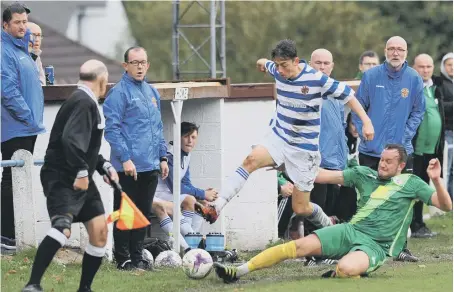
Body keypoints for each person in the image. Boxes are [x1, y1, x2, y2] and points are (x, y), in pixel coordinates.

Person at [196, 39, 374, 232]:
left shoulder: (317, 79)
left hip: (304, 149)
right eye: (278, 65)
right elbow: (265, 63)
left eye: (284, 66)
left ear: (296, 61)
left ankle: (329, 225)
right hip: (279, 137)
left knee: (301, 207)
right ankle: (217, 206)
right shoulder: (277, 69)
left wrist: (367, 122)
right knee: (250, 160)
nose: (280, 71)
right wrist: (262, 63)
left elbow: (349, 96)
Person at [213, 144, 452, 283]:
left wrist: (436, 181)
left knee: (346, 269)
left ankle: (343, 271)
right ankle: (239, 271)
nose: (382, 164)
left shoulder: (411, 183)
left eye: (389, 162)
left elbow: (446, 206)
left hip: (376, 246)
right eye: (381, 159)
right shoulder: (362, 174)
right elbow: (321, 175)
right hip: (350, 230)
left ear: (401, 166)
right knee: (298, 247)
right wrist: (287, 165)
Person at [22, 60, 118, 292]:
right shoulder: (83, 102)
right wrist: (82, 172)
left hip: (78, 173)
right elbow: (71, 141)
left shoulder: (84, 100)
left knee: (99, 230)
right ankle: (32, 285)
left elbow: (84, 145)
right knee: (63, 227)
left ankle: (84, 288)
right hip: (63, 176)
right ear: (102, 81)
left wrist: (104, 166)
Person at [351, 36, 425, 261]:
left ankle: (400, 247)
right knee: (368, 200)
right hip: (371, 150)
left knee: (402, 200)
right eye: (391, 49)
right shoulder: (371, 76)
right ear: (385, 51)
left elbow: (418, 111)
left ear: (406, 52)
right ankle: (364, 246)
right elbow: (357, 107)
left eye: (400, 49)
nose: (395, 53)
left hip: (402, 151)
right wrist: (364, 127)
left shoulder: (413, 78)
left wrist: (405, 137)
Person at [103, 46, 169, 271]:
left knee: (142, 214)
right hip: (128, 167)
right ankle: (122, 259)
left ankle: (137, 257)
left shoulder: (152, 93)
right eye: (135, 62)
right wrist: (125, 159)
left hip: (150, 165)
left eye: (143, 62)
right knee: (125, 214)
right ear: (125, 66)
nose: (140, 67)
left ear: (148, 65)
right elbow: (112, 130)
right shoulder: (119, 92)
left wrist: (163, 157)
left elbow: (158, 128)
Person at [1, 3, 45, 247]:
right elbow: (7, 91)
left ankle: (15, 235)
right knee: (11, 179)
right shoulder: (4, 50)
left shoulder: (22, 49)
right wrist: (28, 116)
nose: (22, 26)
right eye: (17, 22)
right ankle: (6, 235)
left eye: (24, 21)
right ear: (5, 24)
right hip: (15, 126)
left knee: (22, 180)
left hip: (28, 126)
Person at [152, 122, 218, 252]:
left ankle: (192, 243)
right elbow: (175, 186)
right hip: (158, 195)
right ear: (178, 137)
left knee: (200, 202)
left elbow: (186, 184)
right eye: (186, 136)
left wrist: (202, 195)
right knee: (192, 199)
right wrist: (203, 193)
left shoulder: (186, 155)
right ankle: (192, 245)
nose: (190, 141)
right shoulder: (170, 155)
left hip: (170, 196)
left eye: (193, 137)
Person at [411, 54, 446, 238]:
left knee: (424, 187)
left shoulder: (436, 88)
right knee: (413, 188)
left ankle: (418, 223)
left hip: (433, 149)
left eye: (428, 66)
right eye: (421, 67)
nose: (425, 70)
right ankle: (413, 225)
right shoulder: (411, 88)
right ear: (413, 67)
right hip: (415, 149)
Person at [348, 50, 380, 153]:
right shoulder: (352, 86)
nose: (371, 67)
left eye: (374, 64)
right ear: (361, 66)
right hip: (356, 132)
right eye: (367, 64)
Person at [440, 52, 453, 198]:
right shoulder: (440, 83)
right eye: (449, 65)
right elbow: (440, 105)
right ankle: (444, 201)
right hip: (447, 132)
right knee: (446, 169)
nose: (452, 68)